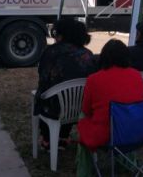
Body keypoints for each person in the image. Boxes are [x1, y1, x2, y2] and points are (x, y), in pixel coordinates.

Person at [76, 39, 143, 175]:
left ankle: (84, 171)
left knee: (82, 118)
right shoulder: (137, 75)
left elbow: (86, 110)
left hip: (106, 134)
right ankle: (127, 163)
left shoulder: (94, 79)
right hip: (135, 131)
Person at [34, 18, 97, 150]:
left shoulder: (51, 52)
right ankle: (63, 137)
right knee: (66, 95)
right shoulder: (88, 54)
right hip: (81, 106)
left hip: (56, 109)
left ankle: (47, 139)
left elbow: (43, 77)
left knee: (45, 96)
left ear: (61, 35)